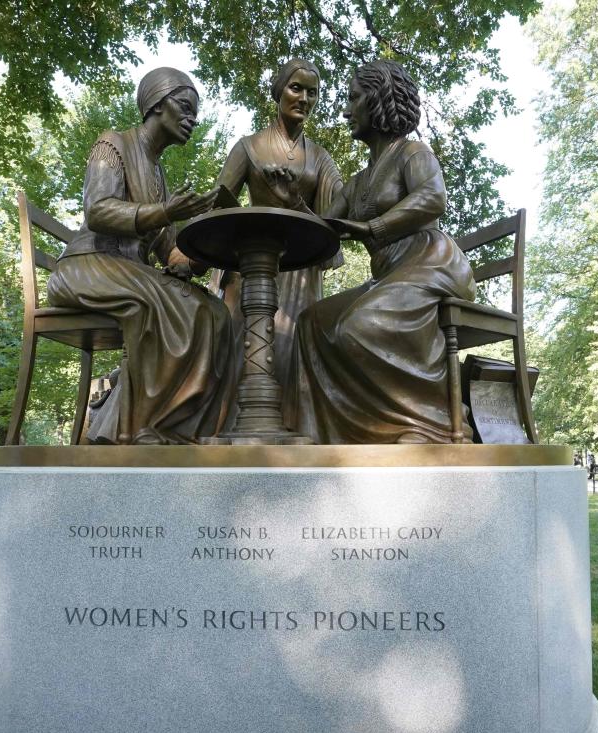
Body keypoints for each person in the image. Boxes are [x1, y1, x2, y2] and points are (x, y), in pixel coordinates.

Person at [288, 59, 475, 444]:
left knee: (360, 326)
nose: (346, 109)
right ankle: (322, 435)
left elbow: (433, 197)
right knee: (311, 323)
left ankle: (431, 422)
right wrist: (291, 197)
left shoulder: (413, 153)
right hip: (390, 277)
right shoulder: (357, 182)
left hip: (431, 264)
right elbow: (324, 226)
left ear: (378, 99)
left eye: (354, 98)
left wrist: (374, 227)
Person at [47, 67, 234, 444]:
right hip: (86, 267)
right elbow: (98, 210)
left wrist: (214, 247)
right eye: (184, 107)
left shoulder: (159, 177)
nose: (192, 119)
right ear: (155, 104)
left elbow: (171, 255)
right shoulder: (112, 144)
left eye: (194, 111)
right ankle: (138, 428)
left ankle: (178, 426)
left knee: (214, 312)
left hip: (130, 273)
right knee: (163, 301)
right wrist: (167, 212)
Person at [212, 58, 343, 429]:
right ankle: (237, 426)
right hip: (251, 262)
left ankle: (294, 427)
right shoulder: (249, 147)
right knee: (239, 341)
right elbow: (221, 199)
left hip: (300, 264)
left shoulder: (320, 158)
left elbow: (337, 217)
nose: (304, 98)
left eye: (312, 92)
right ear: (278, 91)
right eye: (296, 88)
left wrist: (296, 202)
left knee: (297, 338)